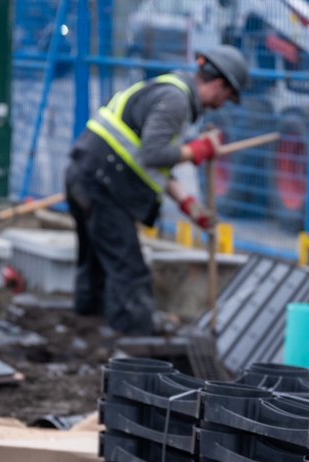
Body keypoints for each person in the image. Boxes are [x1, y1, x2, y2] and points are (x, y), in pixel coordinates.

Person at [64, 45, 250, 336]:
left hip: (88, 177)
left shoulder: (169, 92)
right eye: (227, 96)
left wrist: (187, 203)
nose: (223, 103)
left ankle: (85, 334)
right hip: (102, 184)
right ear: (219, 83)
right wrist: (197, 150)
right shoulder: (175, 101)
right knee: (130, 273)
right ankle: (135, 348)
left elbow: (149, 163)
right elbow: (153, 154)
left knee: (96, 265)